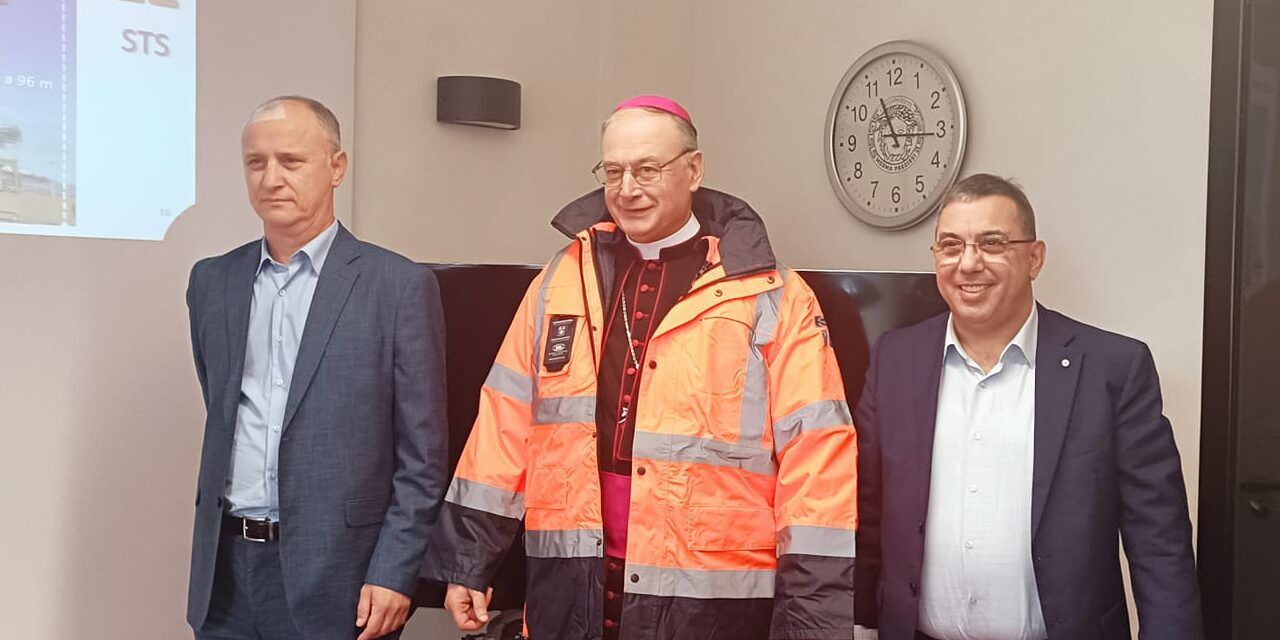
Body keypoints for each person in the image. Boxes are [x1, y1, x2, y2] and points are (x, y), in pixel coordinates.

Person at [425, 95, 858, 639]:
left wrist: (811, 620)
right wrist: (469, 558)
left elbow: (817, 460)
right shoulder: (560, 281)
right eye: (614, 171)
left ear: (694, 169)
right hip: (571, 582)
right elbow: (504, 423)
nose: (628, 189)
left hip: (709, 601)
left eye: (648, 169)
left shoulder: (774, 295)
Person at [853, 173, 1203, 640]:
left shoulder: (1112, 369)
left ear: (1034, 258)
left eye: (992, 243)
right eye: (951, 246)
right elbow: (866, 510)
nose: (968, 264)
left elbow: (1160, 543)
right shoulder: (895, 359)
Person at [185, 95, 448, 640]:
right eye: (256, 162)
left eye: (291, 160)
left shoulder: (397, 287)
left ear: (336, 168)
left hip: (342, 578)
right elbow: (222, 408)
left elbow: (423, 458)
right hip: (226, 573)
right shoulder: (212, 282)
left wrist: (395, 573)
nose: (271, 178)